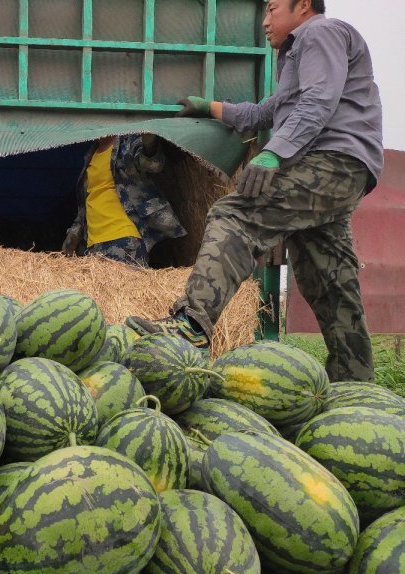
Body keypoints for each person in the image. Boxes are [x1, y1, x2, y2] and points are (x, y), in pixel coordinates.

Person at [126, 0, 383, 382]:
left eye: (272, 9)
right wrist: (209, 107)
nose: (264, 21)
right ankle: (356, 384)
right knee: (328, 278)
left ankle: (191, 328)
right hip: (344, 173)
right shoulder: (300, 55)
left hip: (330, 162)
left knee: (234, 215)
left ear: (303, 6)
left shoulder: (320, 33)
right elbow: (266, 113)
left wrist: (273, 154)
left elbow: (319, 101)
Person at [62, 133, 186, 266]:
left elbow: (153, 164)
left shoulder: (127, 143)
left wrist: (149, 145)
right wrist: (75, 231)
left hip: (122, 238)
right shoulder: (91, 154)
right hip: (93, 244)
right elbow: (89, 199)